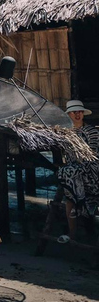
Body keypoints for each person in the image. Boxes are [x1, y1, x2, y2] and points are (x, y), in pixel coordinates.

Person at [57, 100, 99, 241]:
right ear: (68, 114)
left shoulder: (92, 132)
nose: (77, 114)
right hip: (74, 170)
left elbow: (95, 154)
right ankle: (73, 232)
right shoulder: (64, 133)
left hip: (92, 169)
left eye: (80, 111)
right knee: (69, 196)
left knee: (69, 176)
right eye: (74, 112)